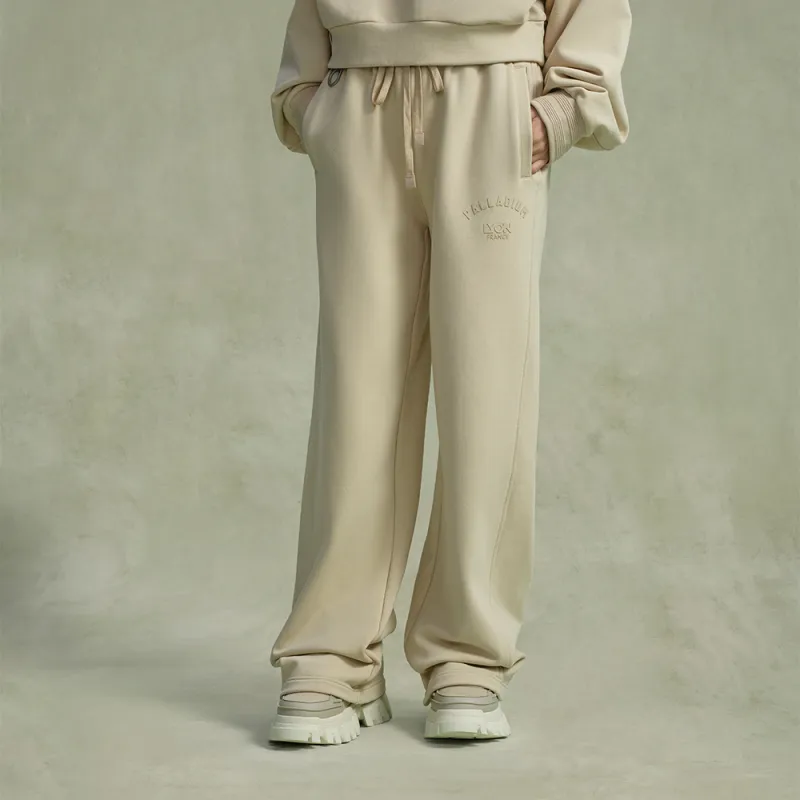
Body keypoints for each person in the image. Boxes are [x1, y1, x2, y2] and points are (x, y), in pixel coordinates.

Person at [267, 0, 631, 745]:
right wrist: (308, 99)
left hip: (493, 99)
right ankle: (331, 657)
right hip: (358, 91)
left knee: (488, 389)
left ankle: (467, 655)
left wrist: (566, 108)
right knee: (355, 394)